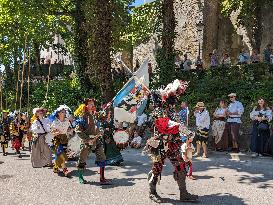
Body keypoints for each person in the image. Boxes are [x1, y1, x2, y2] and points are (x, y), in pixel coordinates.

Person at [146, 108, 198, 203]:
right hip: (160, 146)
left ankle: (184, 194)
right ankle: (152, 192)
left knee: (181, 167)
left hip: (172, 145)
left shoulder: (173, 113)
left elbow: (180, 127)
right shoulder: (157, 112)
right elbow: (163, 125)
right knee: (156, 169)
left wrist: (185, 132)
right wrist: (187, 132)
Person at [75, 98, 111, 185]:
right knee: (82, 159)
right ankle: (80, 178)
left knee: (102, 158)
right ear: (86, 105)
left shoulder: (96, 115)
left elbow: (104, 117)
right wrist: (87, 140)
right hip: (87, 141)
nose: (93, 105)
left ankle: (102, 178)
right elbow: (78, 130)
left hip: (97, 140)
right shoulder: (83, 116)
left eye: (93, 104)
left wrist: (108, 107)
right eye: (90, 104)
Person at [50, 105, 72, 176]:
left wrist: (71, 130)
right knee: (60, 153)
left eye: (65, 112)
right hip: (56, 139)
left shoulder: (67, 121)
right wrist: (56, 133)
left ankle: (56, 167)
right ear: (58, 113)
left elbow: (69, 130)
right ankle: (65, 169)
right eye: (62, 112)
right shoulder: (55, 122)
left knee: (60, 154)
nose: (64, 113)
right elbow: (52, 132)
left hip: (64, 139)